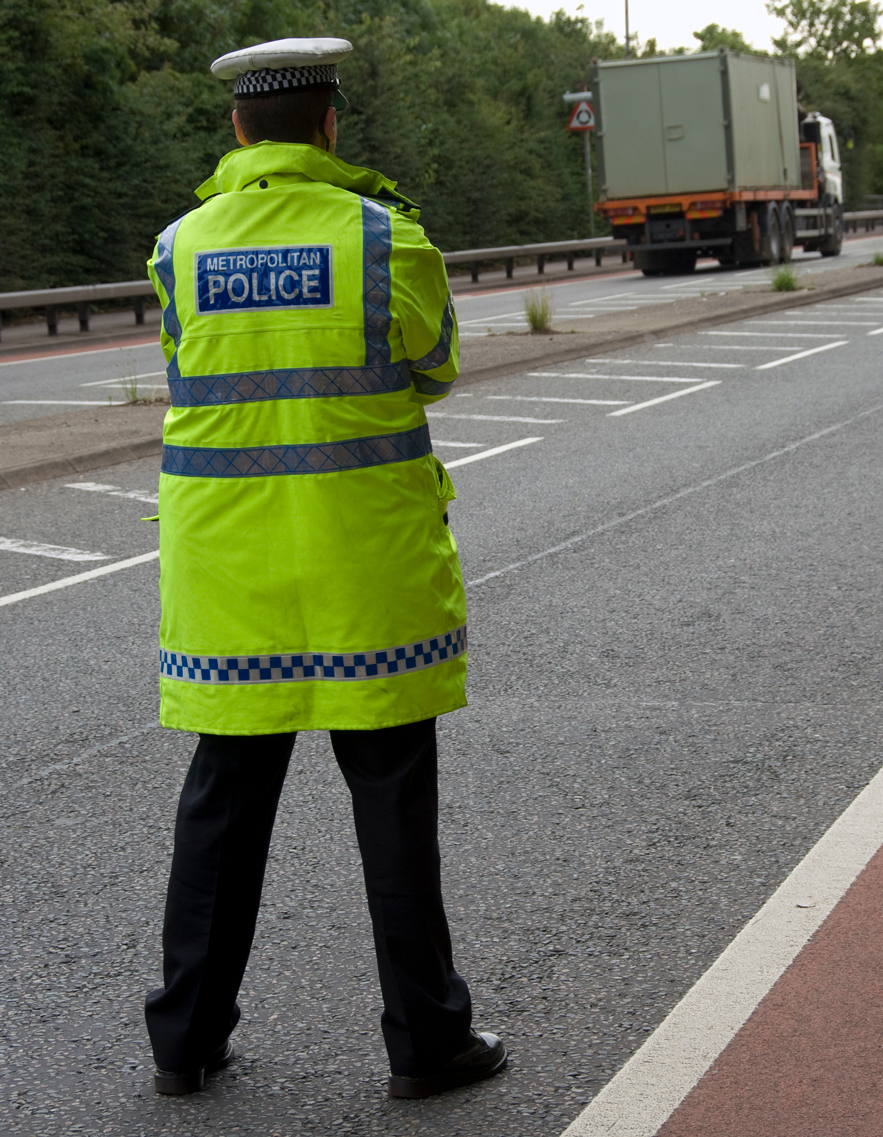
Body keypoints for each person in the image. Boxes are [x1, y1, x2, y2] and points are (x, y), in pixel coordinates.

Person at [143, 36, 506, 1101]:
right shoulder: (386, 239)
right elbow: (433, 368)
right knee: (392, 805)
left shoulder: (176, 247)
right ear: (331, 126)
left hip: (231, 574)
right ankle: (428, 1043)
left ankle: (184, 1040)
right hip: (367, 571)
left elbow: (188, 372)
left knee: (222, 801)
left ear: (239, 129)